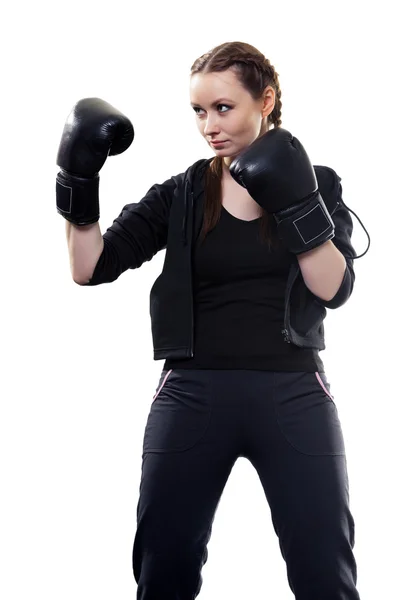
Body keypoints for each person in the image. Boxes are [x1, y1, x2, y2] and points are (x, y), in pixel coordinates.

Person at [56, 41, 369, 600]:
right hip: (192, 392)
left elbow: (334, 288)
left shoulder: (317, 181)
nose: (209, 126)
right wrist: (77, 183)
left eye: (222, 108)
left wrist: (296, 202)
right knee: (164, 568)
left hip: (294, 391)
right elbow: (90, 267)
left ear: (265, 101)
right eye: (199, 111)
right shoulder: (182, 192)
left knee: (326, 570)